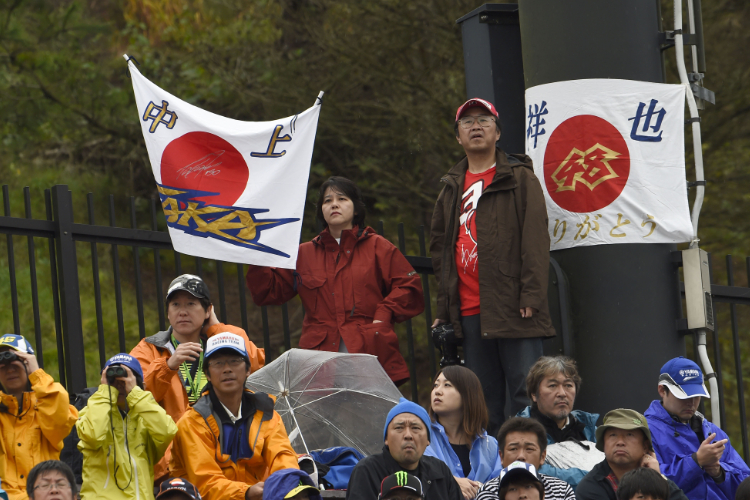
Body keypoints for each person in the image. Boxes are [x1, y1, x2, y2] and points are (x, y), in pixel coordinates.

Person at [430, 97, 555, 433]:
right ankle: (493, 475)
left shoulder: (519, 177)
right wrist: (445, 307)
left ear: (497, 132)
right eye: (467, 121)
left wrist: (531, 293)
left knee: (523, 393)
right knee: (481, 398)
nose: (476, 126)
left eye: (484, 120)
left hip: (514, 305)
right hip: (470, 308)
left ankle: (527, 467)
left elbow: (535, 239)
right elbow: (441, 251)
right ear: (458, 136)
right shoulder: (451, 186)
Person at [246, 176, 424, 385]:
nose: (334, 204)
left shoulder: (377, 246)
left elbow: (410, 286)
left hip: (368, 352)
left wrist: (383, 314)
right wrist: (255, 256)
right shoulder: (304, 253)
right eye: (327, 200)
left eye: (342, 198)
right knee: (321, 415)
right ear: (321, 210)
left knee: (370, 414)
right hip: (318, 360)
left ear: (356, 208)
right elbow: (268, 292)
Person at [130, 273, 265, 482]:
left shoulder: (219, 345)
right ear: (168, 312)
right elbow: (134, 396)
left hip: (221, 455)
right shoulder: (149, 349)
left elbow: (254, 363)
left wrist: (216, 328)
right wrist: (168, 366)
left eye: (191, 304)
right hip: (173, 461)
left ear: (207, 310)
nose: (182, 312)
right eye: (175, 304)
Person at [169, 333, 299, 500]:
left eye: (235, 361)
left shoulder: (266, 413)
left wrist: (284, 484)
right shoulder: (192, 422)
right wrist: (246, 493)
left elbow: (283, 456)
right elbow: (205, 483)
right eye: (218, 363)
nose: (227, 369)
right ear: (207, 375)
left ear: (248, 370)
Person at [644, 357, 750, 500]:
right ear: (662, 390)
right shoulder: (645, 431)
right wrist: (696, 461)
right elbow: (647, 485)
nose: (691, 403)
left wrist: (719, 473)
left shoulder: (713, 431)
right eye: (683, 395)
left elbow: (745, 486)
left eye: (697, 396)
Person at [76, 353, 178, 500]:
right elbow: (93, 436)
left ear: (139, 385)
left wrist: (136, 393)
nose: (120, 385)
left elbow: (168, 432)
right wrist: (105, 392)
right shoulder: (90, 412)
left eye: (127, 379)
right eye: (113, 381)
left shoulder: (146, 418)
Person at [0, 334, 77, 500]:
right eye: (2, 366)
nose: (10, 369)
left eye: (15, 361)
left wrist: (37, 374)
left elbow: (60, 422)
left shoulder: (46, 404)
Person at [346, 398, 462, 500]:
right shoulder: (368, 471)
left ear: (428, 440)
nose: (408, 435)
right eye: (399, 428)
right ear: (386, 438)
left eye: (415, 428)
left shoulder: (440, 471)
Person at [518, 356, 599, 487]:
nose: (562, 393)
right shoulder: (519, 432)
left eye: (568, 385)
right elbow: (532, 471)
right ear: (534, 394)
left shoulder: (588, 428)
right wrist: (594, 477)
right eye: (552, 385)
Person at [424, 366, 502, 499]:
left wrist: (481, 489)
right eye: (435, 385)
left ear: (468, 394)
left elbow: (501, 486)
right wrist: (452, 482)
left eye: (447, 385)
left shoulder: (490, 445)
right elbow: (418, 474)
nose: (437, 391)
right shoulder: (422, 438)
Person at [576, 409, 688, 500]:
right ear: (604, 444)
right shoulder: (591, 486)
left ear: (645, 446)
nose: (620, 442)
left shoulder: (655, 475)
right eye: (613, 435)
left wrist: (657, 478)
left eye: (629, 435)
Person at [476, 418, 574, 500]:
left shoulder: (561, 491)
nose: (521, 456)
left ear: (543, 456)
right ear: (501, 456)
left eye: (529, 449)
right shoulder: (488, 492)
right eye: (513, 449)